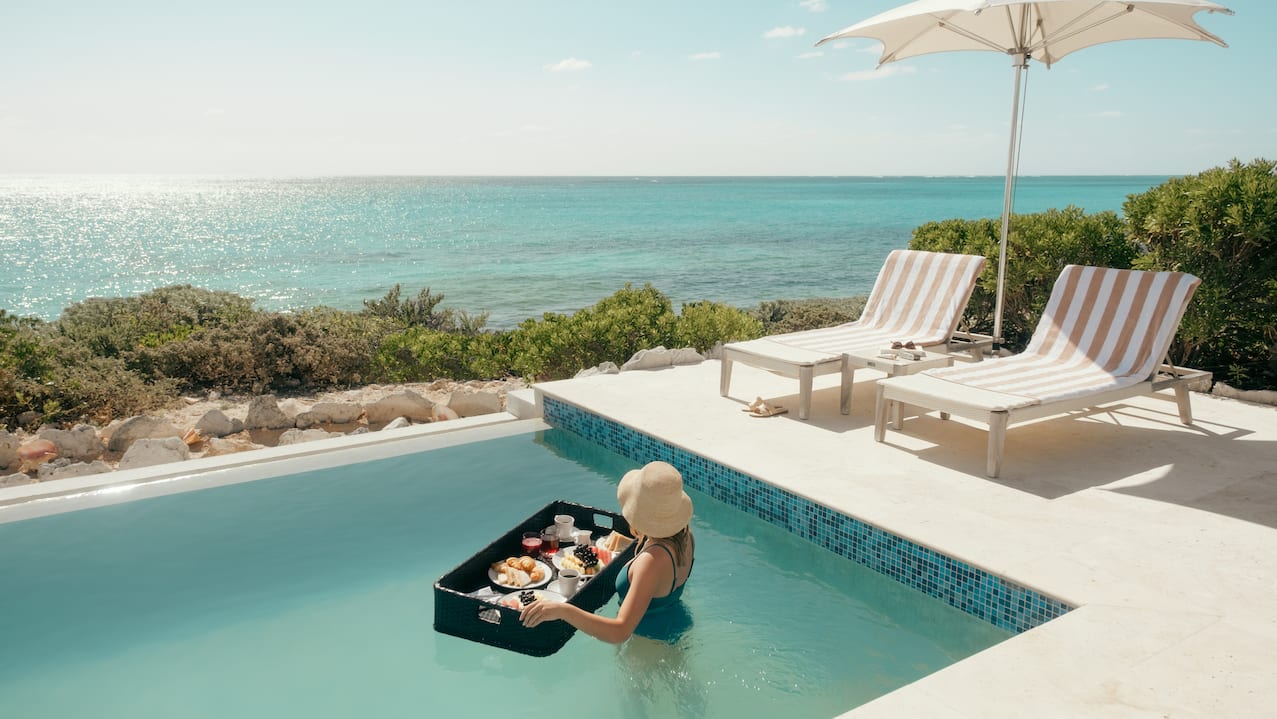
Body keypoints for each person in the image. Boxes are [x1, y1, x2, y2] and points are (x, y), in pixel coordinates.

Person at [520, 460, 694, 643]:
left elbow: (619, 632)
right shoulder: (686, 536)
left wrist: (563, 610)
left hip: (649, 645)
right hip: (674, 627)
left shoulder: (651, 562)